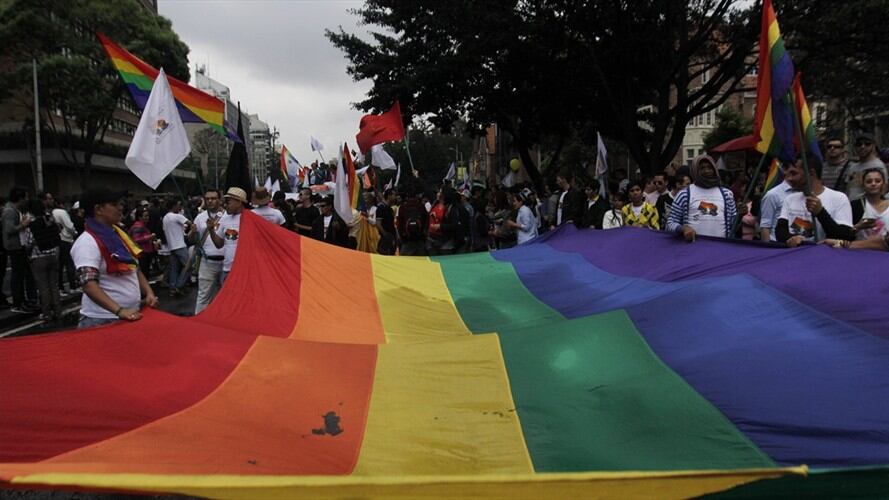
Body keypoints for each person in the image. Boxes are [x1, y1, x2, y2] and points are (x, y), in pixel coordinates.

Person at [71, 189, 158, 328]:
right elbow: (88, 284)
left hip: (128, 315)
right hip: (102, 320)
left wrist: (148, 292)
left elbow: (134, 268)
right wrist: (119, 311)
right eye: (114, 204)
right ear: (98, 209)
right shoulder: (87, 242)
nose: (120, 207)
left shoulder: (119, 236)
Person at [776, 156, 853, 246]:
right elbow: (780, 231)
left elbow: (845, 236)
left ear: (811, 173)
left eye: (794, 174)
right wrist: (791, 239)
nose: (790, 179)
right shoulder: (790, 199)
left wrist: (820, 212)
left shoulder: (839, 198)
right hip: (796, 255)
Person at [666, 154, 737, 241]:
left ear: (714, 169)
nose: (707, 171)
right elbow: (670, 223)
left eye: (709, 167)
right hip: (693, 250)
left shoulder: (727, 194)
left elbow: (734, 225)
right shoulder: (684, 194)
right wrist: (683, 229)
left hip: (721, 250)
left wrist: (740, 215)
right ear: (695, 170)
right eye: (702, 168)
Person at [25, 199, 62, 321]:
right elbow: (58, 232)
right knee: (54, 285)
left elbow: (29, 242)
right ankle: (58, 311)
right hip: (53, 254)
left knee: (43, 287)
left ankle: (46, 313)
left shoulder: (32, 224)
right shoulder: (50, 221)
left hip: (38, 257)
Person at [2, 186, 37, 313]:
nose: (27, 200)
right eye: (25, 197)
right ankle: (17, 303)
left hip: (19, 245)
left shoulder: (15, 210)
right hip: (14, 246)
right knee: (17, 275)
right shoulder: (9, 211)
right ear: (20, 198)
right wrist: (23, 224)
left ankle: (22, 301)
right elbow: (9, 229)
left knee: (21, 273)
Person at [193, 189, 225, 314]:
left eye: (213, 198)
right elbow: (192, 240)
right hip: (207, 263)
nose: (210, 201)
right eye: (208, 199)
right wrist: (192, 232)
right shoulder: (200, 218)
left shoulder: (228, 216)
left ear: (220, 200)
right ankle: (199, 323)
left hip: (226, 263)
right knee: (203, 296)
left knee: (225, 295)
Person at [208, 187, 247, 283]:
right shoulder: (225, 220)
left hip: (245, 270)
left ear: (239, 202)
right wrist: (211, 230)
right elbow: (219, 244)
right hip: (227, 269)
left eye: (228, 202)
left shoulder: (251, 219)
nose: (225, 205)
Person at [162, 198, 194, 297]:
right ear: (174, 206)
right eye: (178, 205)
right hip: (180, 245)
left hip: (171, 246)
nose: (179, 207)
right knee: (188, 266)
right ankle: (179, 285)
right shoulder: (177, 216)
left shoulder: (165, 218)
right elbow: (191, 224)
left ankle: (172, 287)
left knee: (174, 268)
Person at [844, 132, 888, 200]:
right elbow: (848, 189)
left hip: (868, 206)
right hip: (852, 206)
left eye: (867, 144)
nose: (862, 146)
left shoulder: (879, 166)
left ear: (873, 146)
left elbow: (884, 189)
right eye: (859, 144)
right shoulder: (853, 167)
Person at [758, 165, 795, 242]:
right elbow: (765, 226)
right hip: (777, 245)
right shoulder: (773, 195)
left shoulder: (803, 194)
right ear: (785, 170)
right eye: (792, 171)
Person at [850, 168, 889, 241]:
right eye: (869, 181)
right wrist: (858, 227)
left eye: (877, 181)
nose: (873, 184)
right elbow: (845, 234)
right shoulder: (855, 205)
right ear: (863, 185)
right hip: (861, 249)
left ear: (883, 184)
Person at [51, 195, 78, 294]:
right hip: (66, 239)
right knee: (69, 264)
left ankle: (60, 288)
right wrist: (75, 233)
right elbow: (69, 226)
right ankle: (72, 286)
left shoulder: (52, 213)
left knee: (60, 265)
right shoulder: (62, 212)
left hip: (57, 240)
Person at [396, 187, 428, 256]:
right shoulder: (421, 206)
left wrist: (403, 237)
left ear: (407, 197)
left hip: (407, 241)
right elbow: (426, 221)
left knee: (405, 262)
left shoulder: (402, 207)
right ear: (416, 196)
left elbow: (399, 224)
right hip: (419, 240)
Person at [128, 208, 158, 278]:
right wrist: (150, 237)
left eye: (148, 216)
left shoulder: (142, 225)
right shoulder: (138, 226)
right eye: (145, 216)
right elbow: (136, 239)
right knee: (144, 272)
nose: (147, 217)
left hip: (145, 252)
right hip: (142, 252)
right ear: (140, 217)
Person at [376, 188, 397, 255]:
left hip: (392, 239)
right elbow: (378, 224)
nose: (395, 197)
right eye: (394, 195)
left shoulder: (390, 209)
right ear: (389, 196)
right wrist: (385, 235)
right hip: (385, 241)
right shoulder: (381, 208)